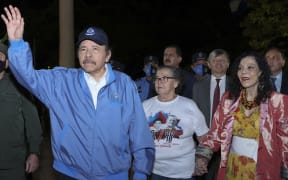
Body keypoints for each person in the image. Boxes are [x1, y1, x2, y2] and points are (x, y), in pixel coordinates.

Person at [2, 5, 155, 180]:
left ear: (107, 55)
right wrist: (17, 44)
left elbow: (139, 130)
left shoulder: (124, 84)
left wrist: (141, 172)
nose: (88, 54)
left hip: (114, 174)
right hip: (71, 173)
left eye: (95, 48)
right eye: (83, 49)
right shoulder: (61, 81)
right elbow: (28, 77)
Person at [194, 51, 288, 179]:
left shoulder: (277, 101)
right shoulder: (229, 99)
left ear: (260, 72)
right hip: (233, 168)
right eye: (240, 68)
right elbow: (215, 132)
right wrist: (202, 157)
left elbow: (285, 141)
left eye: (250, 67)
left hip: (263, 170)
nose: (243, 72)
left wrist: (285, 172)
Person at [143, 66, 209, 180]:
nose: (159, 82)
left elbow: (204, 138)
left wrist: (201, 159)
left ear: (176, 83)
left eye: (164, 78)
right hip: (155, 171)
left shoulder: (189, 106)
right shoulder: (145, 106)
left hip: (184, 173)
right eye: (157, 78)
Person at [0, 41, 42, 180]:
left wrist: (34, 152)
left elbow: (33, 121)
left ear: (6, 63)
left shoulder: (19, 86)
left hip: (13, 164)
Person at [192, 49, 230, 180]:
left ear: (228, 64)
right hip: (204, 140)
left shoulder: (237, 86)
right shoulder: (197, 86)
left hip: (229, 143)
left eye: (222, 60)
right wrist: (199, 135)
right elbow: (194, 114)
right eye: (215, 60)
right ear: (209, 64)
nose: (218, 63)